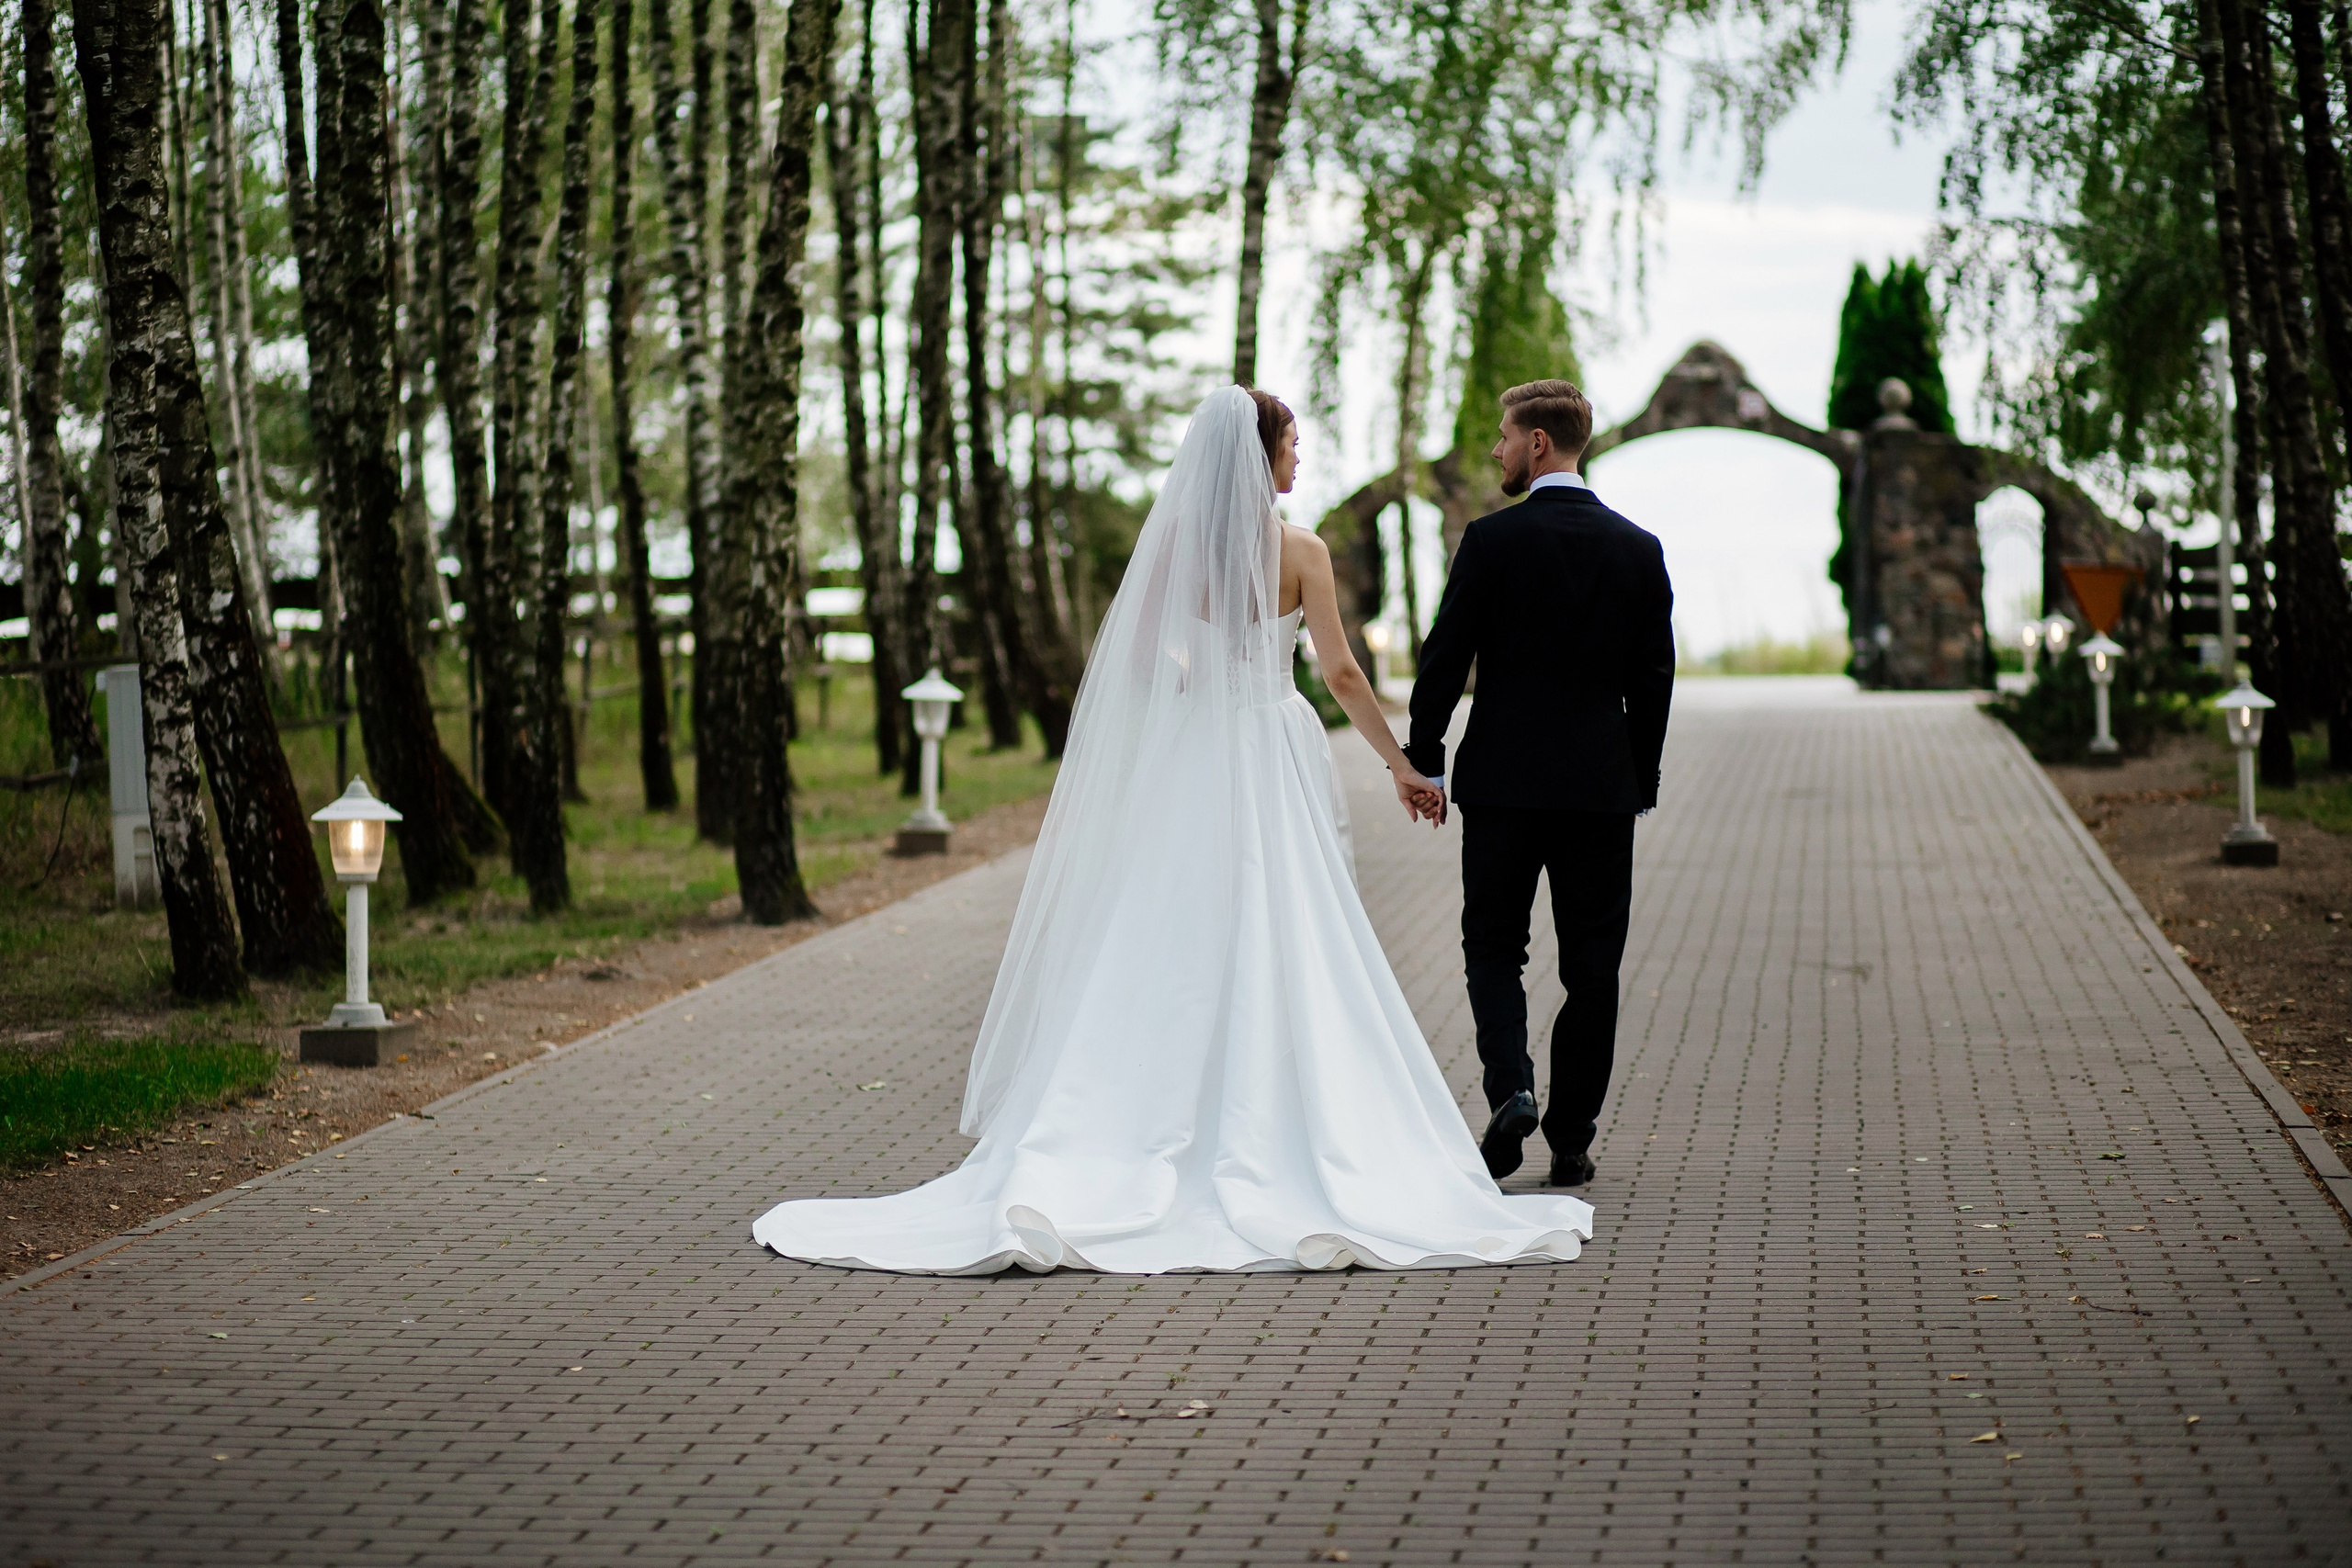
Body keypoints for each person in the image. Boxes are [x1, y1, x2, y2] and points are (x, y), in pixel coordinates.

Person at [752, 385, 1594, 1274]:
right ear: (1256, 456)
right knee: (1285, 915)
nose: (1299, 460)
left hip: (1197, 746)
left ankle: (1134, 1112)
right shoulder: (1298, 551)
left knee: (1171, 919)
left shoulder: (1175, 555)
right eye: (1291, 445)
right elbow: (1343, 674)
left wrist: (1197, 701)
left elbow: (1145, 656)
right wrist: (1404, 766)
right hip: (1270, 744)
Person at [1405, 378, 1675, 1190]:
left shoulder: (1492, 543)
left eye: (1503, 435)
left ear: (1539, 445)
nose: (1495, 449)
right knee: (1592, 964)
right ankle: (1570, 1137)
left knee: (1492, 945)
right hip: (1600, 787)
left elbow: (1443, 659)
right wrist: (1640, 776)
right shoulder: (1638, 548)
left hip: (1502, 785)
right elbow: (1654, 680)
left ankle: (1512, 1087)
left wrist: (1426, 756)